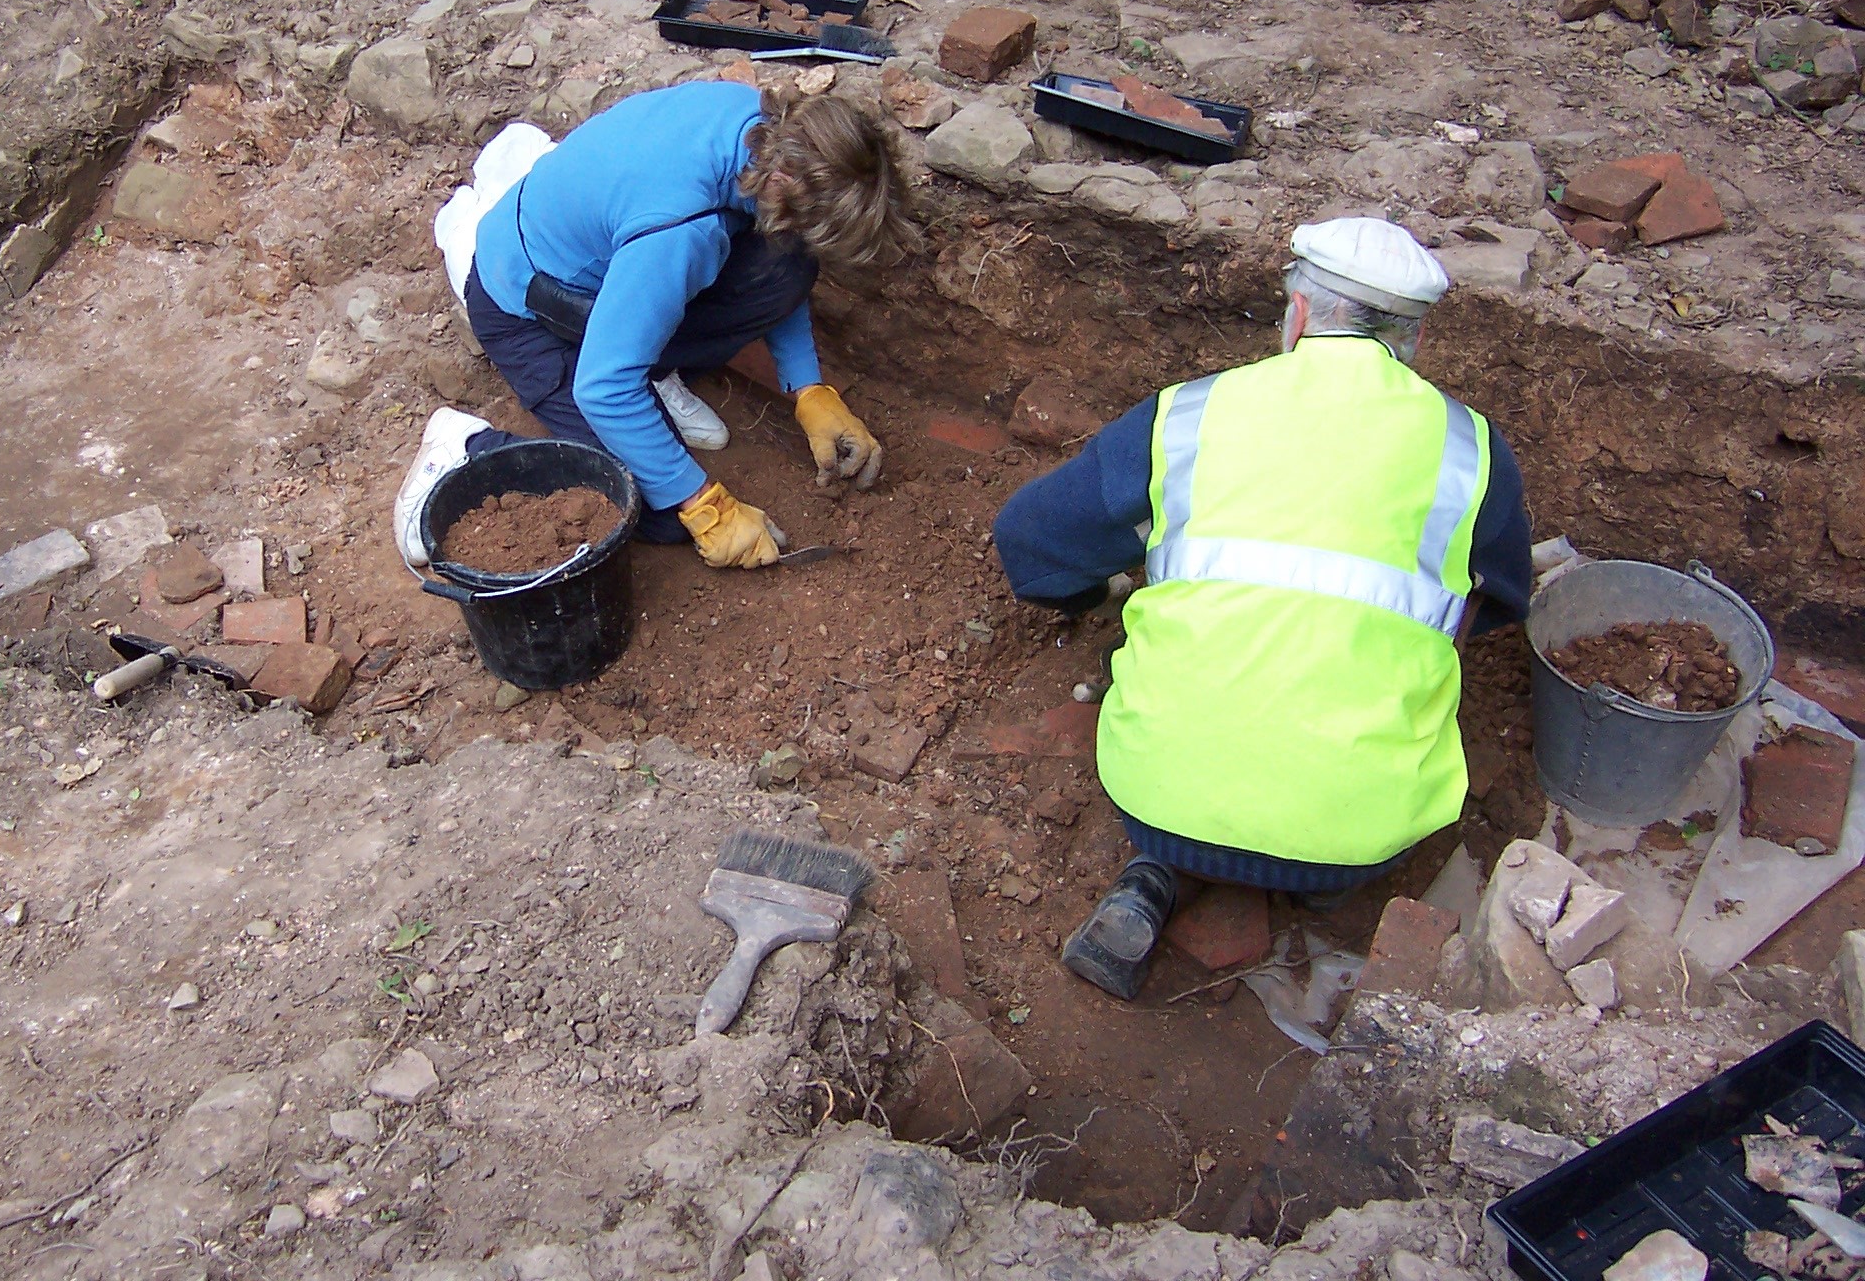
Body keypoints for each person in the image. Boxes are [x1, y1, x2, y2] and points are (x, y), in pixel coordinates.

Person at [992, 217, 1532, 999]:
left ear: (1299, 315)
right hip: (1361, 834)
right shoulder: (1472, 451)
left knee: (1183, 804)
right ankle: (1314, 889)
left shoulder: (1188, 415)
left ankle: (1155, 873)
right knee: (1340, 836)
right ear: (1410, 341)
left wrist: (1095, 592)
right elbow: (1504, 602)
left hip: (1156, 797)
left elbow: (1028, 541)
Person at [394, 79, 916, 569]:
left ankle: (642, 352)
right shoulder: (680, 229)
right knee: (644, 503)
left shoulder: (766, 127)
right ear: (785, 180)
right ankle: (464, 450)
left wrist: (809, 389)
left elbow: (782, 254)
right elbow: (602, 388)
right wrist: (702, 504)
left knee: (787, 264)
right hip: (530, 309)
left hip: (608, 266)